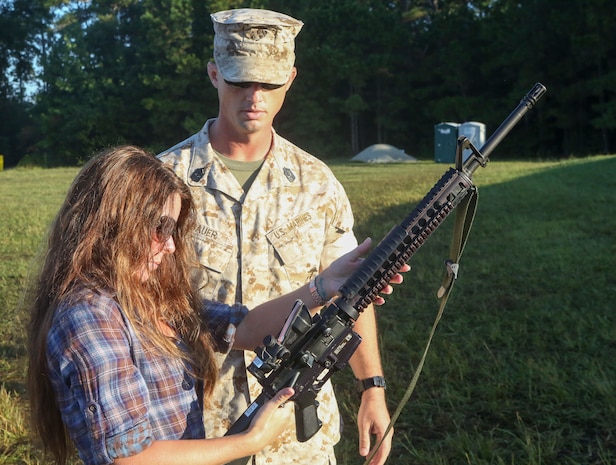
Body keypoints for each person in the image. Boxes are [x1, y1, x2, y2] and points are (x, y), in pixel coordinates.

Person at [26, 146, 402, 465]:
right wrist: (250, 442)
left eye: (172, 229)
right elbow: (130, 458)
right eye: (159, 228)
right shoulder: (90, 315)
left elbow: (247, 329)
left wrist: (325, 286)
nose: (170, 245)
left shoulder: (145, 295)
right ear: (114, 223)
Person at [158, 8, 393, 465]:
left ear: (291, 78)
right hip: (196, 429)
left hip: (295, 437)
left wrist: (372, 389)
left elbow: (352, 294)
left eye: (268, 83)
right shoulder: (163, 181)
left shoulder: (317, 184)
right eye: (240, 81)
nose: (254, 97)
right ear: (213, 75)